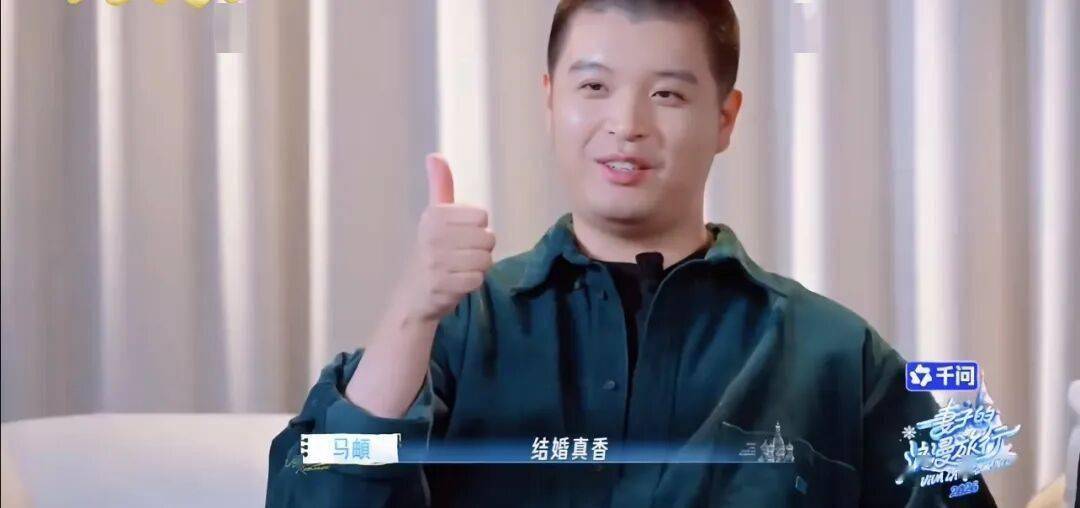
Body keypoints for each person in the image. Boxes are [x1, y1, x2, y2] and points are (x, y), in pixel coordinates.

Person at [266, 1, 996, 506]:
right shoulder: (457, 333)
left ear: (725, 118)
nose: (627, 123)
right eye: (594, 86)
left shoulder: (837, 356)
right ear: (550, 99)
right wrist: (411, 314)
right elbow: (313, 491)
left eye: (668, 95)